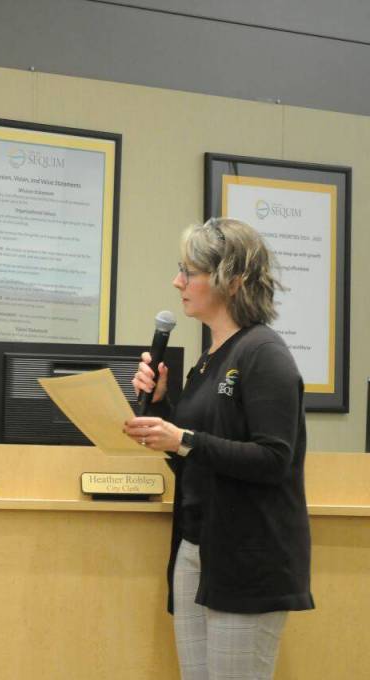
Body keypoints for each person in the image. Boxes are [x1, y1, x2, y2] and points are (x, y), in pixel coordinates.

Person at [124, 217, 312, 679]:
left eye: (190, 271)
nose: (177, 282)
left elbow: (273, 459)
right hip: (196, 547)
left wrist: (183, 439)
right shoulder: (210, 359)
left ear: (233, 280)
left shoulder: (264, 354)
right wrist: (165, 409)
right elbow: (198, 454)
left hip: (246, 557)